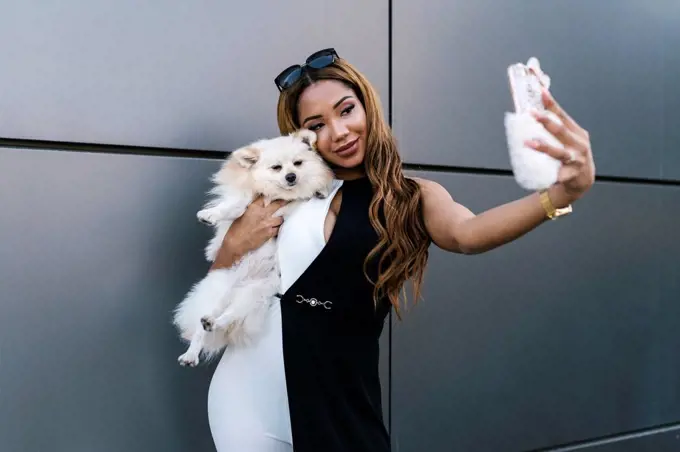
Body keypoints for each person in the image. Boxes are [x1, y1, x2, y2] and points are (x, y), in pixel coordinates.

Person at [205, 48, 595, 452]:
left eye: (346, 110)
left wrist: (559, 194)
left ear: (367, 107)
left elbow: (468, 233)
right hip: (248, 398)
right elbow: (221, 286)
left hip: (341, 402)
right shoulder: (282, 188)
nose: (338, 131)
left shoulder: (410, 198)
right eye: (317, 124)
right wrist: (233, 243)